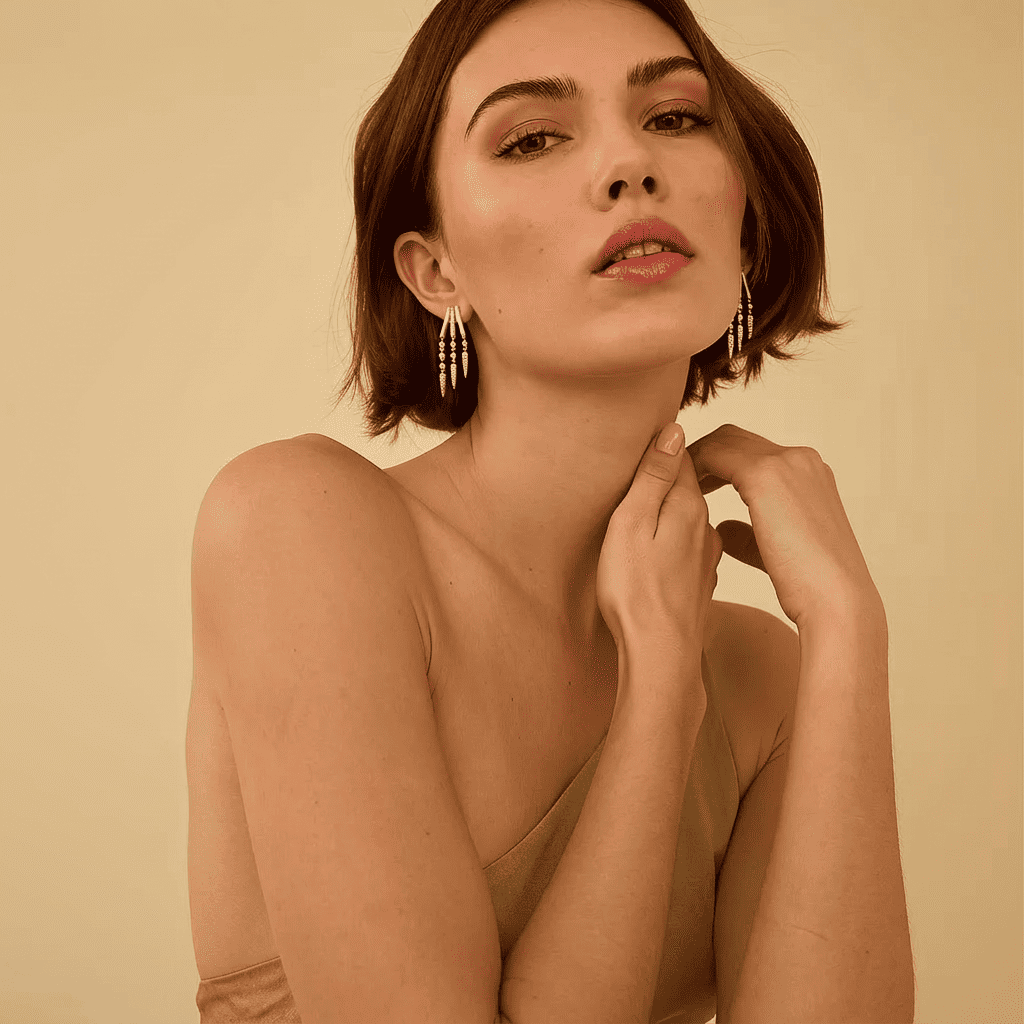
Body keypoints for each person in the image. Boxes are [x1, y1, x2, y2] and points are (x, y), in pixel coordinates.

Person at [186, 0, 915, 1020]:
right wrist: (657, 699)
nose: (629, 164)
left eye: (674, 117)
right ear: (434, 271)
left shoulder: (762, 682)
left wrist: (847, 629)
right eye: (531, 138)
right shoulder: (297, 529)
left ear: (745, 228)